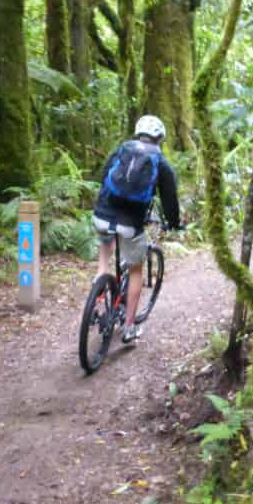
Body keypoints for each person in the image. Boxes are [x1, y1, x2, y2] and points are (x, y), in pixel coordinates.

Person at [92, 114, 181, 343]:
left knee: (104, 257)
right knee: (135, 271)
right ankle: (129, 327)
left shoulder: (123, 148)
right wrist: (173, 222)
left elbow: (104, 176)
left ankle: (97, 301)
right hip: (130, 224)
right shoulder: (160, 162)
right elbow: (169, 198)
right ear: (159, 138)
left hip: (102, 216)